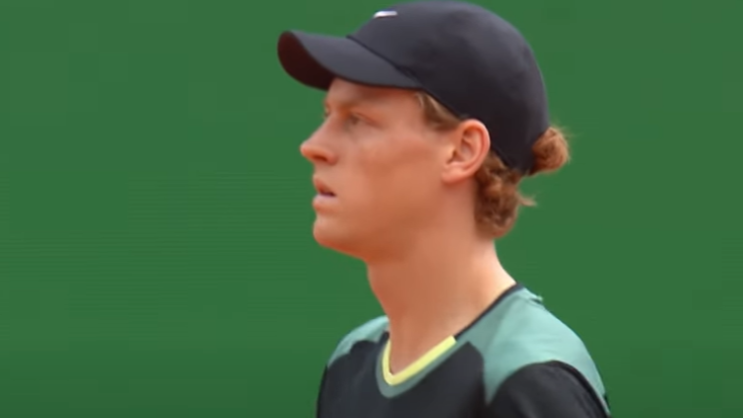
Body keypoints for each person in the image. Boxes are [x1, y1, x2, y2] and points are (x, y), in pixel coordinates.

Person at [276, 1, 611, 417]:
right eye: (328, 114)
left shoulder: (528, 380)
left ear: (462, 151)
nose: (313, 146)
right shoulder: (351, 361)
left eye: (358, 119)